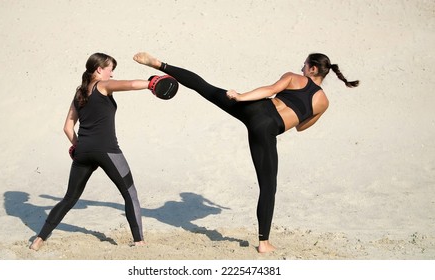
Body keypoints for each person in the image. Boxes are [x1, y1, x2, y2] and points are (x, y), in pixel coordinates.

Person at [133, 52, 359, 253]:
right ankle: (264, 242)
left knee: (205, 88)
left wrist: (241, 98)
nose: (301, 68)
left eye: (304, 65)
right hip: (268, 129)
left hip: (256, 108)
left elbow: (269, 91)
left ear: (312, 69)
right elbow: (301, 127)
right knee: (268, 186)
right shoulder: (323, 102)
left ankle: (160, 64)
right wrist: (298, 113)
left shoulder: (293, 77)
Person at [30, 53, 149, 250]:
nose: (112, 74)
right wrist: (153, 83)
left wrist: (77, 146)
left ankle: (39, 239)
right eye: (110, 69)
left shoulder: (80, 92)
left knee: (69, 198)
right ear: (99, 69)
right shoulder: (103, 86)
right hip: (107, 151)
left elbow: (68, 127)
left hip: (83, 152)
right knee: (130, 194)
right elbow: (131, 84)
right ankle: (139, 241)